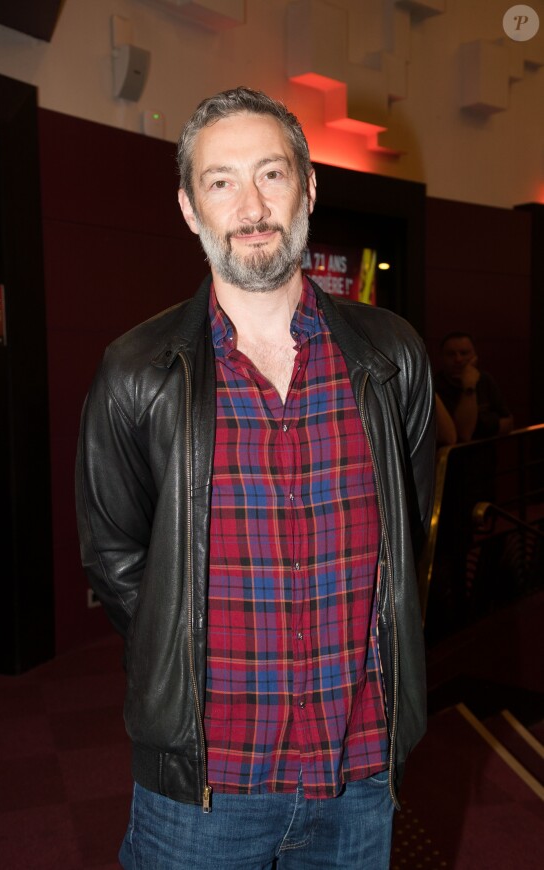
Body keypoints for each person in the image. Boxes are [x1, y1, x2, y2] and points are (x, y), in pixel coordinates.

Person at [76, 87, 436, 870]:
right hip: (204, 783)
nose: (251, 205)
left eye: (271, 175)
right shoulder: (137, 370)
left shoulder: (390, 357)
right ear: (187, 206)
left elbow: (408, 538)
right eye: (221, 180)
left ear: (308, 188)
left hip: (358, 772)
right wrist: (181, 650)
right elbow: (114, 559)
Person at [435, 331, 513, 442]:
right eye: (451, 354)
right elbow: (463, 434)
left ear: (474, 356)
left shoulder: (484, 379)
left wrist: (479, 424)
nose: (458, 359)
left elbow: (509, 422)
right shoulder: (435, 386)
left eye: (464, 353)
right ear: (441, 357)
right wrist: (469, 386)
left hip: (485, 455)